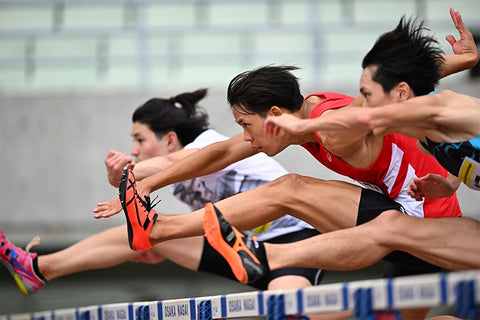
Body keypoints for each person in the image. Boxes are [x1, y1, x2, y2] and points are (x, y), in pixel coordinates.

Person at [93, 8, 478, 320]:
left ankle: (179, 234)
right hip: (410, 219)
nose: (245, 137)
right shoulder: (299, 124)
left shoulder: (331, 127)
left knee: (291, 188)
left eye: (247, 125)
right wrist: (147, 184)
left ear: (276, 113)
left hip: (425, 223)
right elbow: (219, 153)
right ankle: (160, 231)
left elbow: (374, 105)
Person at [0, 89, 324, 298]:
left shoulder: (206, 145)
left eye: (140, 140)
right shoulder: (180, 183)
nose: (133, 149)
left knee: (293, 309)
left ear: (169, 139)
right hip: (246, 251)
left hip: (296, 241)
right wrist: (158, 247)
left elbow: (175, 162)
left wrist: (127, 174)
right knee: (149, 232)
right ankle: (38, 268)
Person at [269, 89, 480, 199]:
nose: (362, 102)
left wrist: (302, 125)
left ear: (401, 91)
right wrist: (451, 184)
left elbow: (359, 118)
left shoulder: (442, 107)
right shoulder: (429, 144)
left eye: (368, 94)